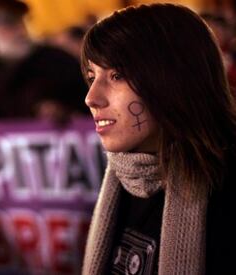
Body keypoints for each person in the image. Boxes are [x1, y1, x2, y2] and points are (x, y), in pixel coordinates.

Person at [81, 4, 235, 274]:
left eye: (117, 75)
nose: (91, 98)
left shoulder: (223, 193)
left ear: (173, 79)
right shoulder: (126, 177)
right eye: (92, 76)